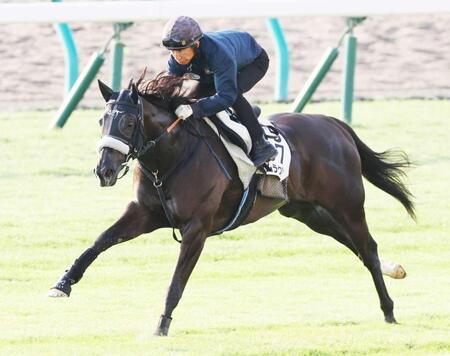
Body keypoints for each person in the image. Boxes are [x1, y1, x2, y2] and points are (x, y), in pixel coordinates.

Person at [161, 16, 277, 167]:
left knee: (232, 95)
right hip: (214, 70)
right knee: (192, 97)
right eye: (173, 51)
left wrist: (194, 108)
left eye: (181, 50)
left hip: (252, 62)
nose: (177, 57)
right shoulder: (175, 60)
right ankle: (244, 115)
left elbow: (225, 97)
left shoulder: (218, 54)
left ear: (196, 43)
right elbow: (168, 89)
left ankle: (262, 144)